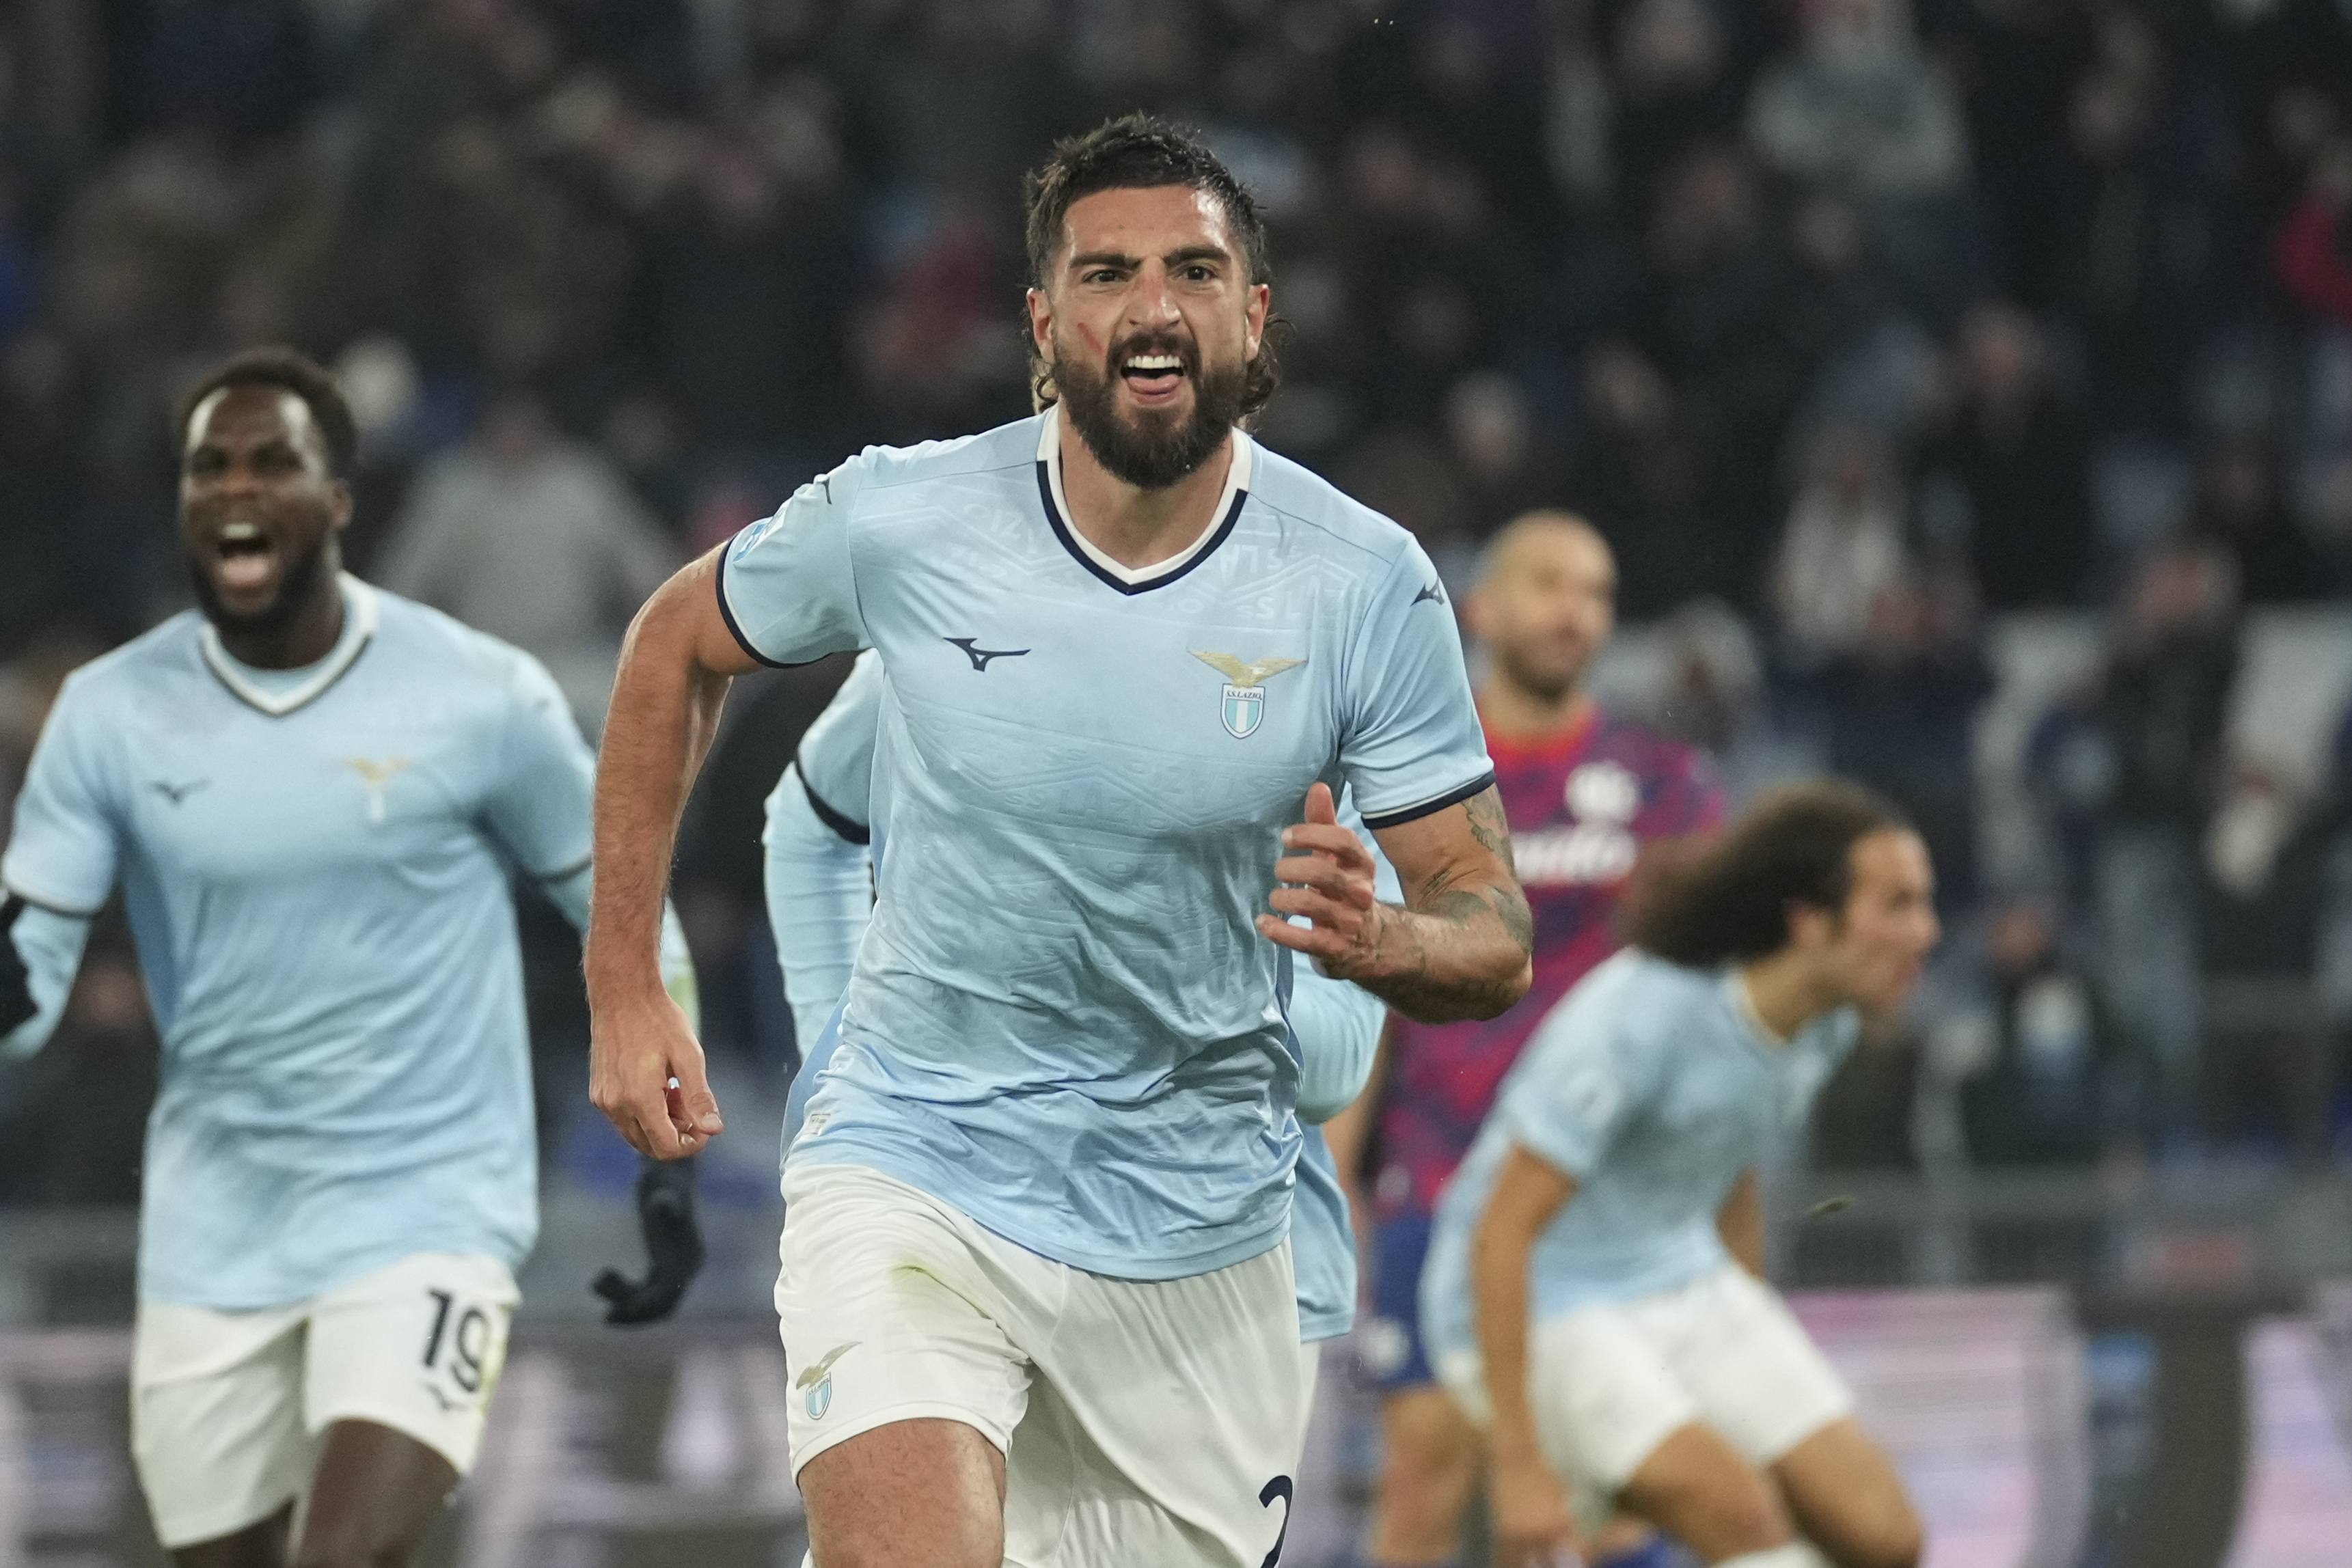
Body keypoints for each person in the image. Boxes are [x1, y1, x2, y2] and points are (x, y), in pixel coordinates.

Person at [584, 115, 1532, 1568]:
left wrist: (1390, 938)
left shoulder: (1361, 585)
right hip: (918, 1164)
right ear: (1044, 323)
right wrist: (628, 980)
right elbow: (674, 643)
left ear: (1251, 313)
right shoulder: (907, 520)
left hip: (1198, 1231)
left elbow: (1489, 926)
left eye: (1191, 270)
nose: (1151, 305)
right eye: (1105, 273)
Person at [0, 348, 700, 1568]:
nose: (237, 488)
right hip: (215, 1225)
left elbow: (623, 908)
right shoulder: (113, 714)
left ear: (337, 501)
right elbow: (33, 971)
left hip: (426, 1206)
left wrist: (669, 1154)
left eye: (275, 461)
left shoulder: (477, 694)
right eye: (209, 466)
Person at [758, 649, 1389, 1400]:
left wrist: (1140, 990)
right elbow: (809, 823)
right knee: (918, 1509)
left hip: (1216, 1261)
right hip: (930, 1202)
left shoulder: (1325, 649)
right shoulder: (948, 596)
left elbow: (1339, 1059)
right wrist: (840, 1074)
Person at [1324, 510, 1725, 1568]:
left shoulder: (1663, 788)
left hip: (1597, 1188)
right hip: (1439, 1170)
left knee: (1605, 1492)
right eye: (1548, 583)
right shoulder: (1409, 786)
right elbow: (1362, 987)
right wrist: (1334, 1178)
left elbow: (1701, 1004)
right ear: (1482, 608)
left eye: (1594, 591)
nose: (1573, 610)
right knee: (1422, 1475)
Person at [1420, 781, 1937, 1568]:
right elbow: (1502, 1228)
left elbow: (1726, 1160)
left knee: (1885, 1538)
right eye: (1896, 905)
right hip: (1536, 1307)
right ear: (1808, 921)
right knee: (1747, 1527)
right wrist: (1519, 1465)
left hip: (1679, 1280)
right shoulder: (1643, 1018)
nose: (1924, 933)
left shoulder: (1824, 1023)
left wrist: (1748, 1333)